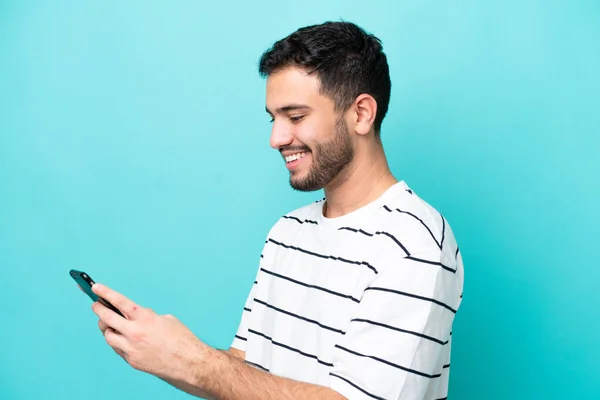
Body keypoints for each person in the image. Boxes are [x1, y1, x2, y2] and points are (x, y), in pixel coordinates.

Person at [90, 21, 464, 400]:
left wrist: (193, 361)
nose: (276, 139)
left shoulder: (413, 244)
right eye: (274, 118)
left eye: (296, 116)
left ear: (362, 113)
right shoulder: (288, 232)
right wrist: (161, 355)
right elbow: (246, 377)